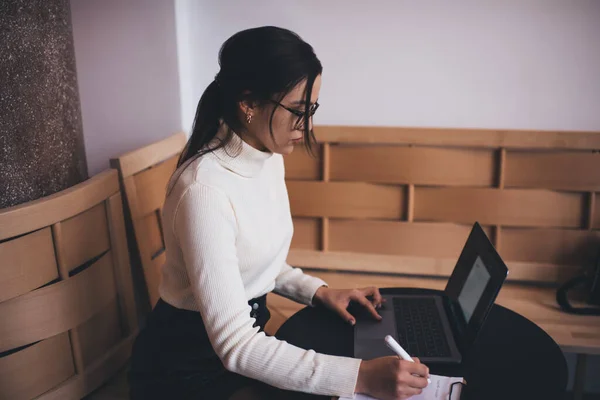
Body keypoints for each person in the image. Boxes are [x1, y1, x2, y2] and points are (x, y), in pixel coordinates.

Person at [127, 26, 430, 400]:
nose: (306, 126)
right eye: (298, 111)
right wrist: (360, 377)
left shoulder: (267, 157)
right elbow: (235, 346)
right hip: (188, 368)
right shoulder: (203, 191)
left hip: (243, 343)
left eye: (312, 110)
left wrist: (319, 292)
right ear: (248, 103)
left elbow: (253, 263)